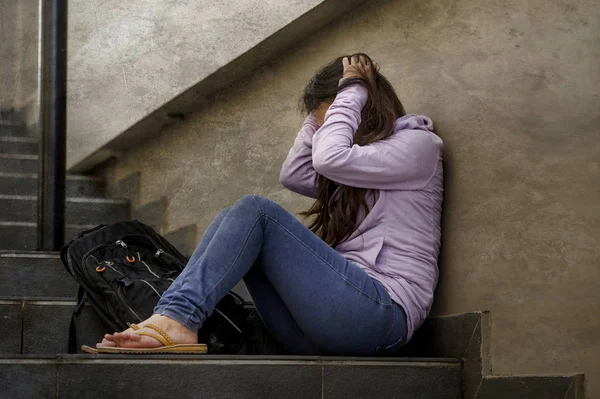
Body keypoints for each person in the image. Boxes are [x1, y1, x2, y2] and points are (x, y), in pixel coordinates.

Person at [91, 53, 444, 356]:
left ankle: (177, 318)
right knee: (239, 220)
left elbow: (329, 159)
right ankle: (173, 317)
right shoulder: (362, 164)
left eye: (338, 117)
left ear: (361, 106)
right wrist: (314, 113)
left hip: (381, 317)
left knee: (256, 210)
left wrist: (351, 92)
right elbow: (295, 173)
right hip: (318, 329)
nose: (332, 129)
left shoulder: (418, 147)